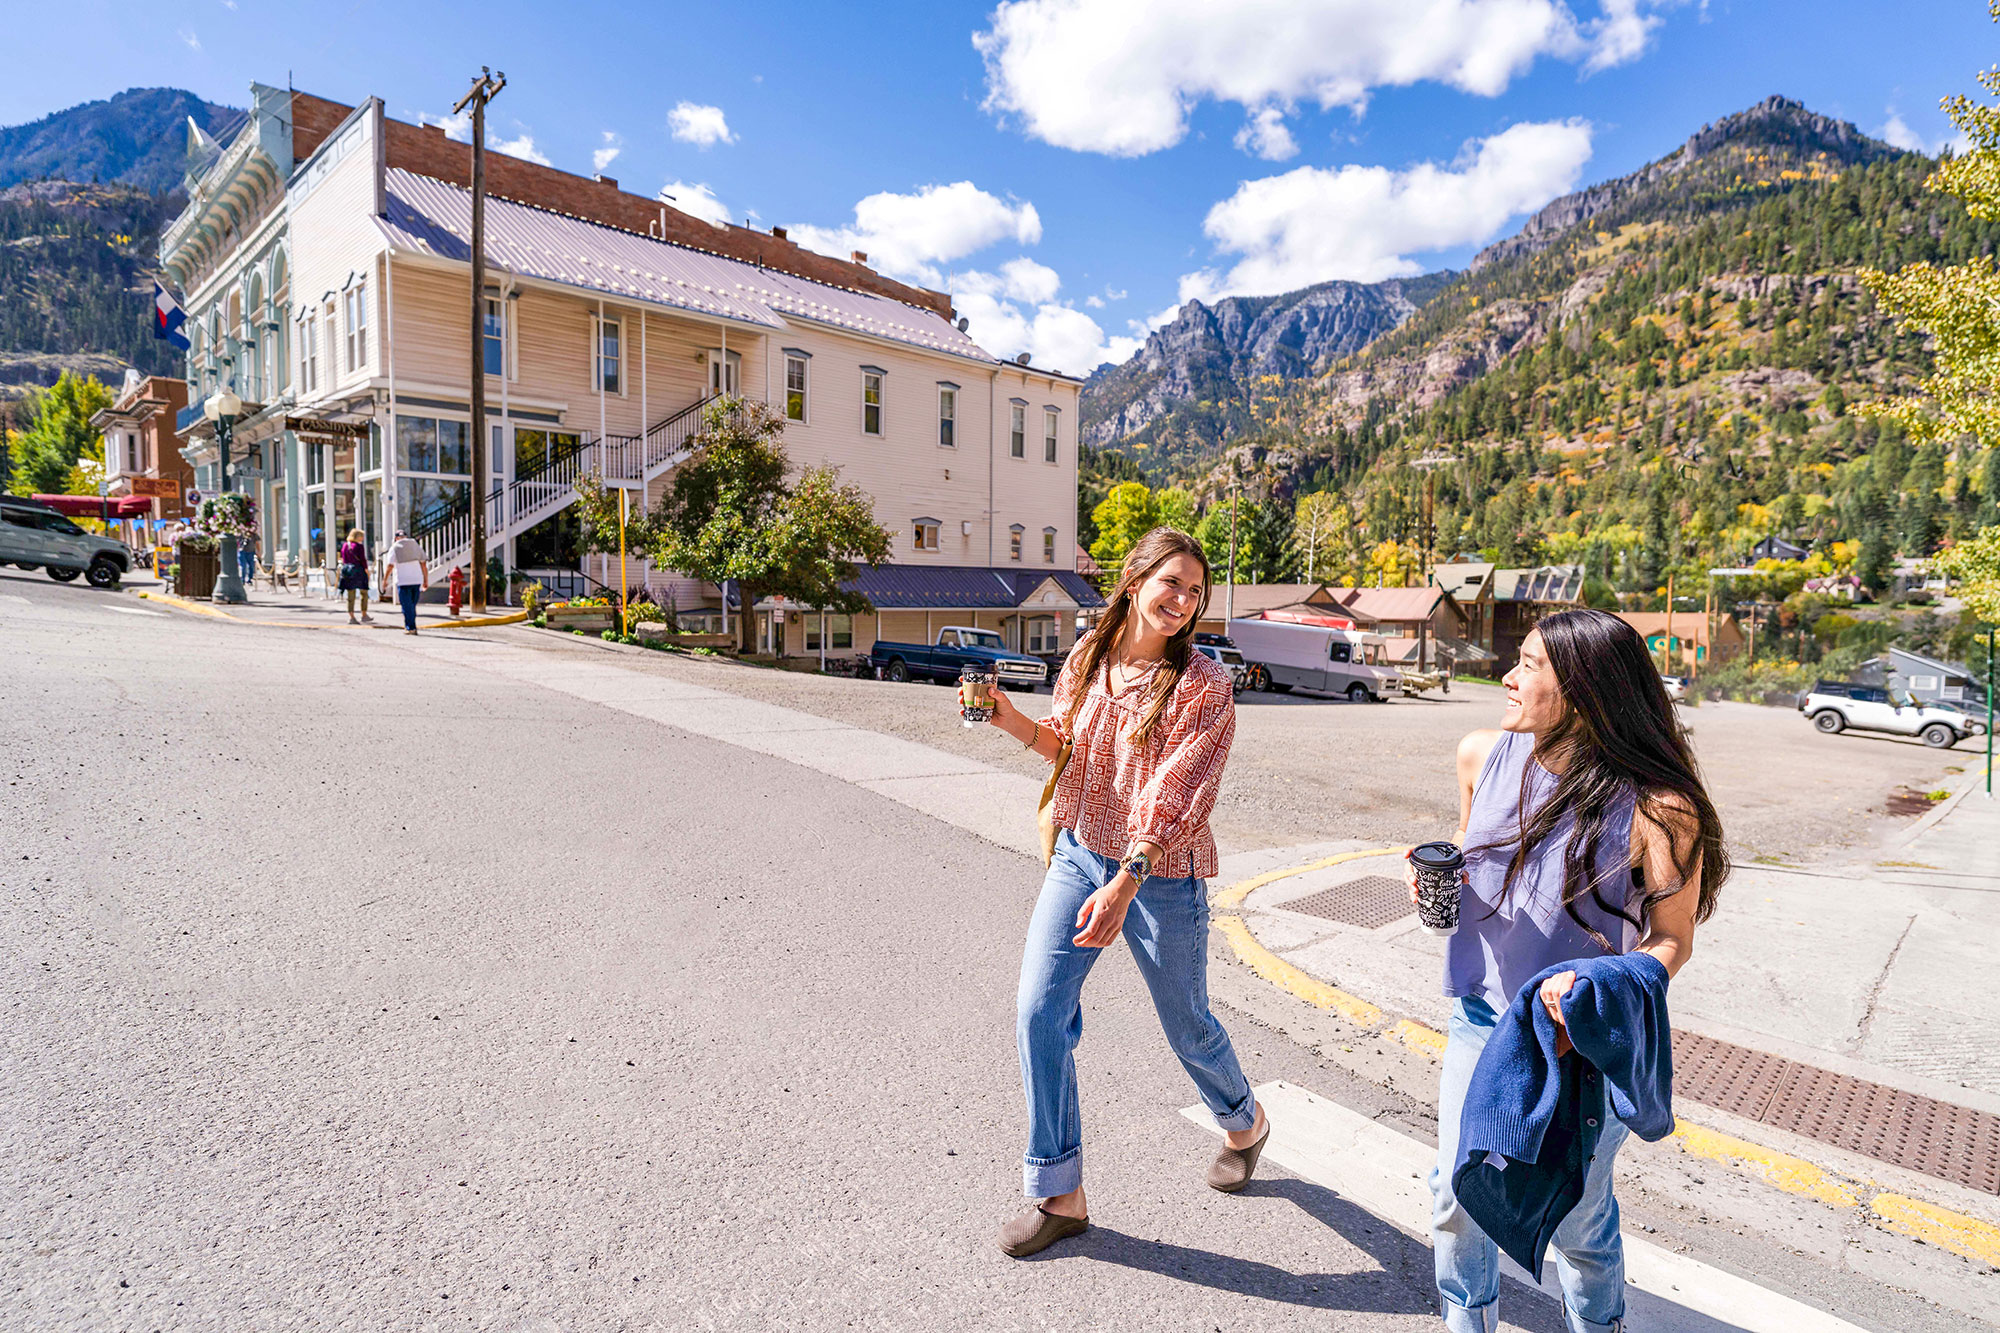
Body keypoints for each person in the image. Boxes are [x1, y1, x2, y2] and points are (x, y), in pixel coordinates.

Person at [1411, 608, 1727, 1333]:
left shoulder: (1659, 806)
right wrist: (1434, 882)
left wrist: (1601, 985)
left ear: (1582, 688)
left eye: (1527, 664)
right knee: (1457, 1200)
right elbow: (1470, 851)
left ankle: (1600, 1323)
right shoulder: (1478, 754)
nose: (1507, 677)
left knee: (1579, 1219)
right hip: (1484, 1023)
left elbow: (1672, 938)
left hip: (1586, 1043)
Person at [965, 526, 1266, 1259]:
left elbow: (1177, 793)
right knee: (1039, 1008)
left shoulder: (1205, 687)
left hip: (1161, 876)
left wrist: (1127, 881)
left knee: (1188, 1025)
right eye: (1173, 583)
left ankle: (1245, 1121)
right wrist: (1007, 717)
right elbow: (1065, 742)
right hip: (1077, 854)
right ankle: (1060, 1192)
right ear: (1135, 580)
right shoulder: (1089, 655)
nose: (1184, 601)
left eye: (1195, 592)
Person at [384, 530, 428, 635]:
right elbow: (423, 564)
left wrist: (385, 579)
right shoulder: (416, 546)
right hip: (416, 579)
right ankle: (411, 625)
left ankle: (410, 627)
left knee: (406, 605)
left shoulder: (394, 548)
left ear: (396, 538)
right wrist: (425, 580)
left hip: (403, 580)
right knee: (412, 605)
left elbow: (390, 565)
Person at [337, 527, 373, 624]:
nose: (363, 538)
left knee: (350, 594)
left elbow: (344, 559)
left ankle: (351, 616)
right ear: (357, 536)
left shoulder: (345, 545)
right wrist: (366, 570)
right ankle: (364, 614)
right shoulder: (359, 546)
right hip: (359, 570)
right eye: (361, 536)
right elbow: (362, 559)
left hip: (348, 571)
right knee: (364, 593)